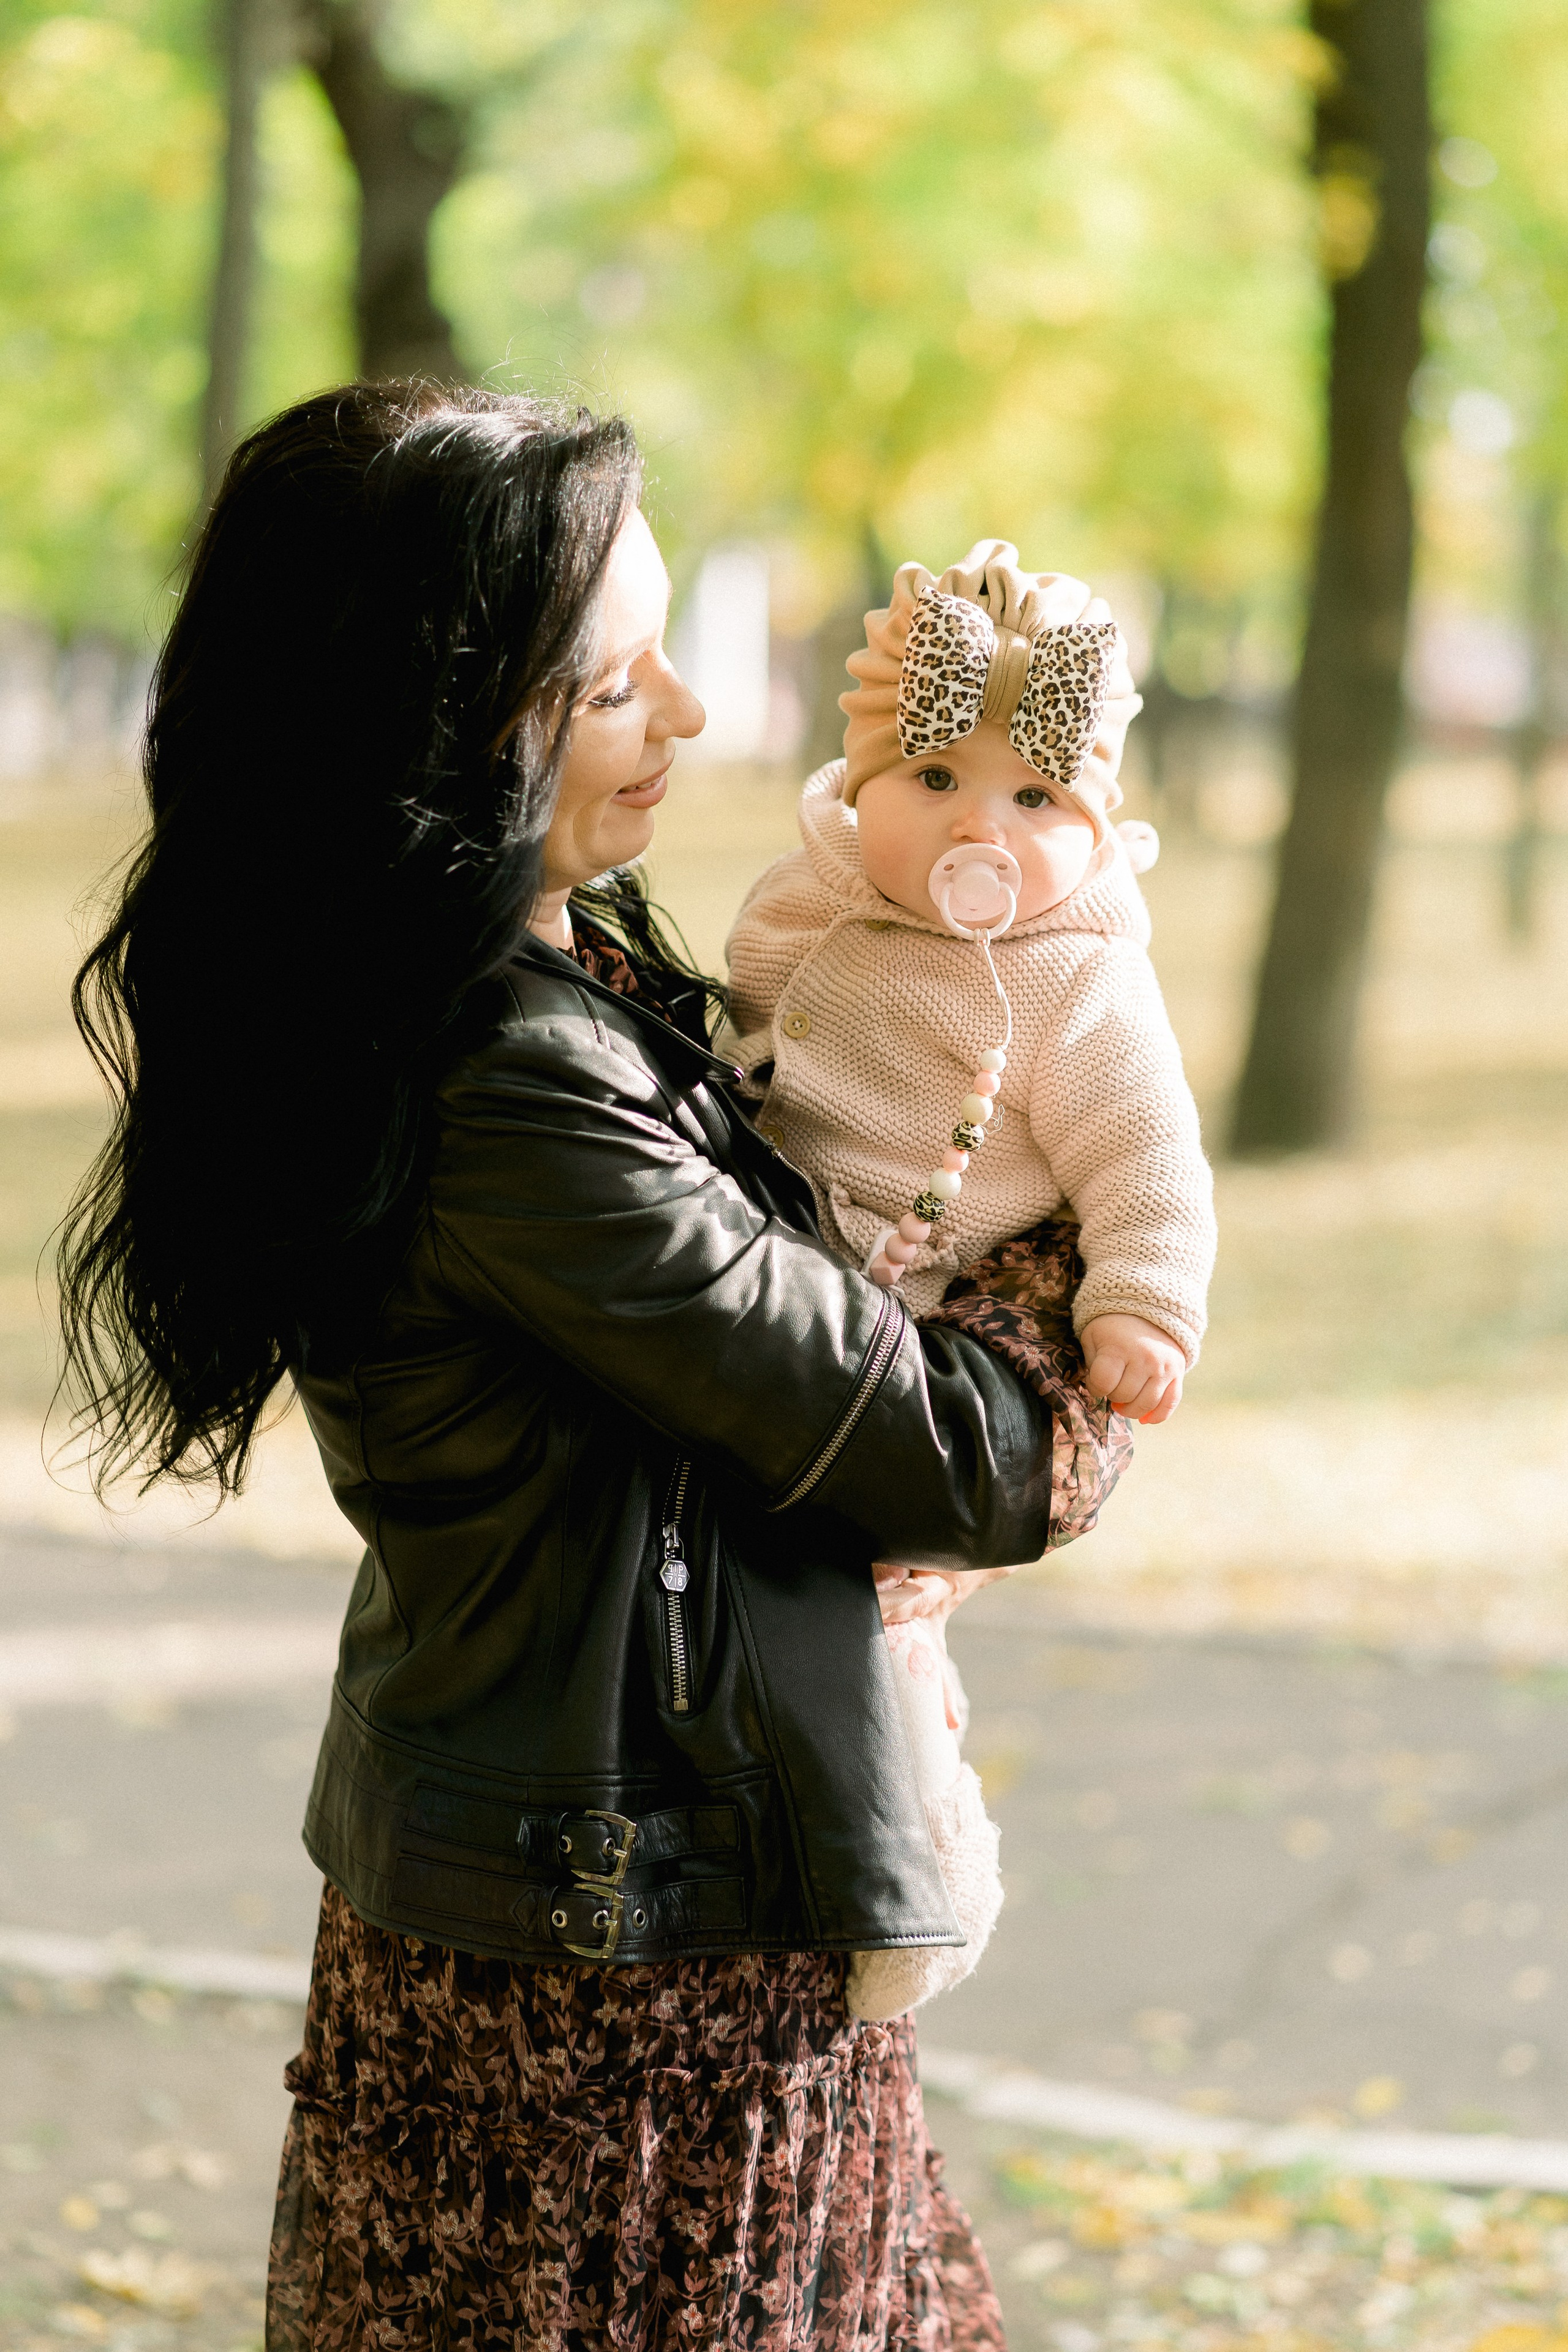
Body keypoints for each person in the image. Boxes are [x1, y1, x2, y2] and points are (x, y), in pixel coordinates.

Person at [57, 385, 1118, 2350]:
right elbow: (968, 1457)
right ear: (442, 722)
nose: (695, 722)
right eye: (620, 687)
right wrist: (1100, 1233)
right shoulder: (508, 1091)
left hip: (604, 1918)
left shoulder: (537, 994)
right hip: (613, 2009)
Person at [725, 540, 1217, 2018]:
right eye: (933, 779)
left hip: (925, 1310)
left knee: (890, 1617)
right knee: (785, 1608)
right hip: (776, 1267)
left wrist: (1137, 1297)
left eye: (1032, 798)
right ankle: (786, 1841)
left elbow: (1147, 1155)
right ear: (859, 782)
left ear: (1096, 821)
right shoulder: (810, 902)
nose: (976, 829)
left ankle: (913, 1876)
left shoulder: (1077, 981)